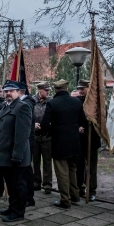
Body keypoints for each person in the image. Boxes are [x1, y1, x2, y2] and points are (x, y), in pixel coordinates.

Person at [41, 79, 86, 209]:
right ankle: (75, 195)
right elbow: (82, 120)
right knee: (73, 169)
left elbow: (44, 124)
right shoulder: (76, 102)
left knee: (62, 172)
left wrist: (49, 130)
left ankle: (65, 199)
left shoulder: (52, 103)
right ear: (67, 88)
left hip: (59, 142)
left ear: (55, 89)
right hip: (74, 141)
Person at [0, 80, 32, 222]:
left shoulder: (23, 107)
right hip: (4, 154)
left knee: (18, 185)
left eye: (11, 91)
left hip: (16, 155)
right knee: (10, 184)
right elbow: (0, 132)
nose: (8, 93)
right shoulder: (5, 107)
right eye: (6, 91)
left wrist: (17, 155)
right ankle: (12, 207)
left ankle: (18, 212)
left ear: (18, 92)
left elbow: (22, 135)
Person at [76, 79, 101, 201]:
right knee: (79, 166)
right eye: (79, 89)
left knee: (91, 167)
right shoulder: (77, 101)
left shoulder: (96, 103)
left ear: (88, 88)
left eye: (83, 89)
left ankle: (91, 190)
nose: (80, 91)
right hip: (80, 139)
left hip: (92, 139)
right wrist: (77, 127)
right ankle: (79, 187)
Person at [17, 82, 36, 207]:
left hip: (26, 141)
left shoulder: (26, 104)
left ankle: (28, 197)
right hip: (24, 140)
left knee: (25, 170)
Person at [32, 81, 52, 194]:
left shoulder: (51, 102)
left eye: (49, 90)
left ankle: (47, 184)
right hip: (35, 136)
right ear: (40, 90)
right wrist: (33, 124)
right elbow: (28, 116)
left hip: (47, 135)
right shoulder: (32, 101)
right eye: (46, 90)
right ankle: (36, 182)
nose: (48, 92)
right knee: (35, 161)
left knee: (47, 161)